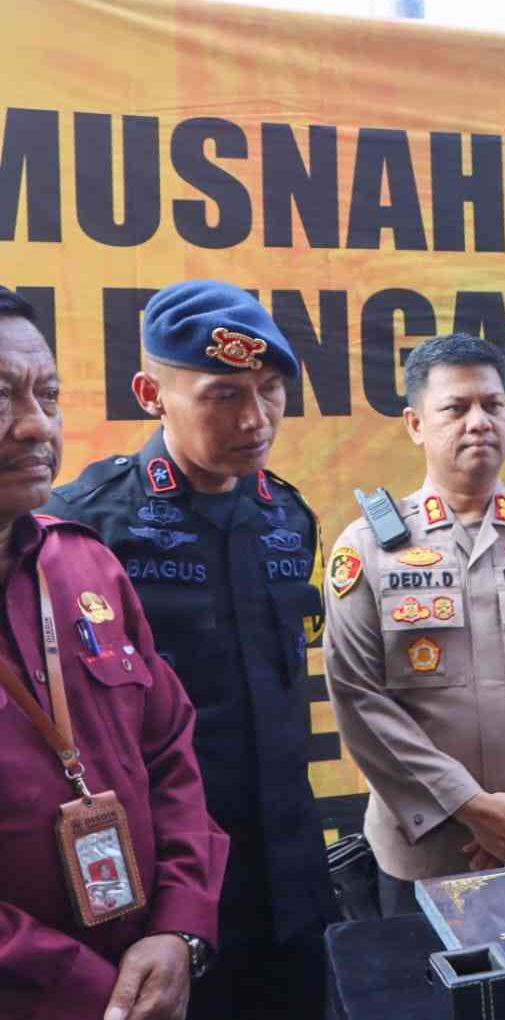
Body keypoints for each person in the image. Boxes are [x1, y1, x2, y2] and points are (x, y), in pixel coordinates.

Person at [43, 280, 333, 1018]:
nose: (257, 418)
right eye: (223, 395)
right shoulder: (82, 527)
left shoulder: (288, 517)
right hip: (164, 896)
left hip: (291, 879)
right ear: (152, 395)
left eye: (270, 391)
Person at [322, 334, 505, 912]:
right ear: (415, 424)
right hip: (430, 850)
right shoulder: (367, 547)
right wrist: (468, 806)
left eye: (493, 405)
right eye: (456, 408)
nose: (479, 422)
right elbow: (358, 697)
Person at [0, 286, 226, 1020]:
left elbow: (169, 748)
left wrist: (179, 927)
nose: (36, 425)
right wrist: (90, 990)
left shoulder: (84, 565)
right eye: (1, 397)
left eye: (48, 395)